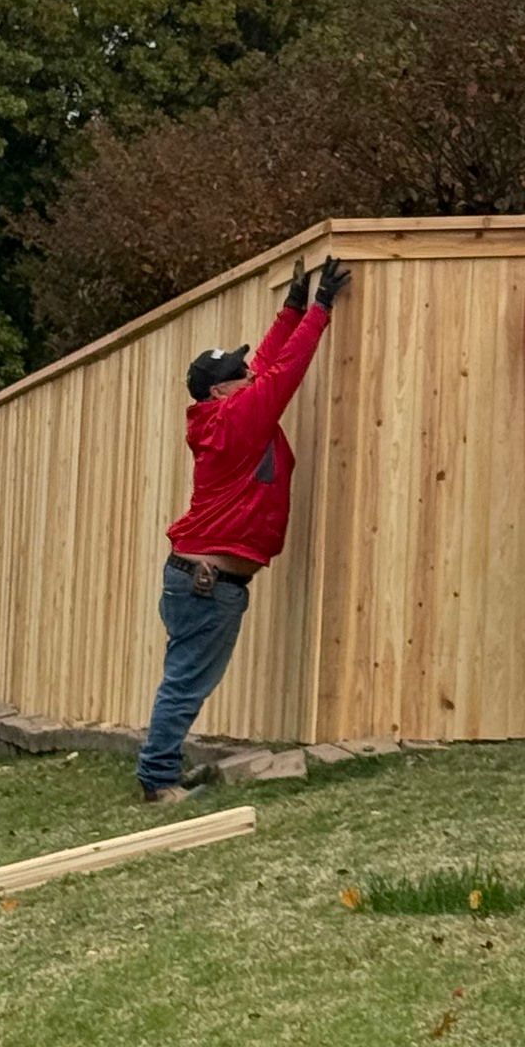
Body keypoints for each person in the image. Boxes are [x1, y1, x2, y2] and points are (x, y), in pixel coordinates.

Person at [135, 255, 352, 802]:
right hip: (208, 585)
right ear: (220, 392)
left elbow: (269, 364)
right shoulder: (236, 420)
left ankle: (161, 770)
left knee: (183, 680)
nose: (249, 372)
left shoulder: (227, 412)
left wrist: (292, 308)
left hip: (200, 580)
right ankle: (157, 781)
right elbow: (285, 371)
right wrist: (320, 311)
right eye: (238, 373)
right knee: (185, 684)